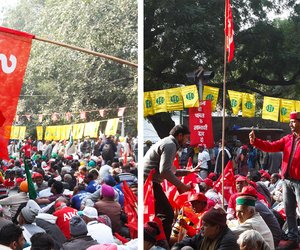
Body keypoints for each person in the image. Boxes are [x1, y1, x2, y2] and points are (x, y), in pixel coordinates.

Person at [249, 111, 300, 250]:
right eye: (290, 122)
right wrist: (255, 141)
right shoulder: (287, 139)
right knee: (289, 211)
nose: (290, 124)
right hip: (287, 181)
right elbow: (270, 146)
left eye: (293, 121)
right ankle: (293, 238)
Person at [144, 125, 199, 241]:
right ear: (180, 136)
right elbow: (164, 172)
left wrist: (188, 172)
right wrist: (182, 186)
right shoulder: (170, 145)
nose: (187, 141)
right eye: (186, 138)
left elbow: (171, 171)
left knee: (162, 214)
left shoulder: (168, 142)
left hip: (150, 182)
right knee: (167, 214)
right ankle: (162, 244)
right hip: (149, 182)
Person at [171, 207, 239, 250]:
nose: (201, 227)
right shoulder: (204, 235)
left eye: (205, 225)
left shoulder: (229, 241)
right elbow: (187, 242)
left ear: (217, 227)